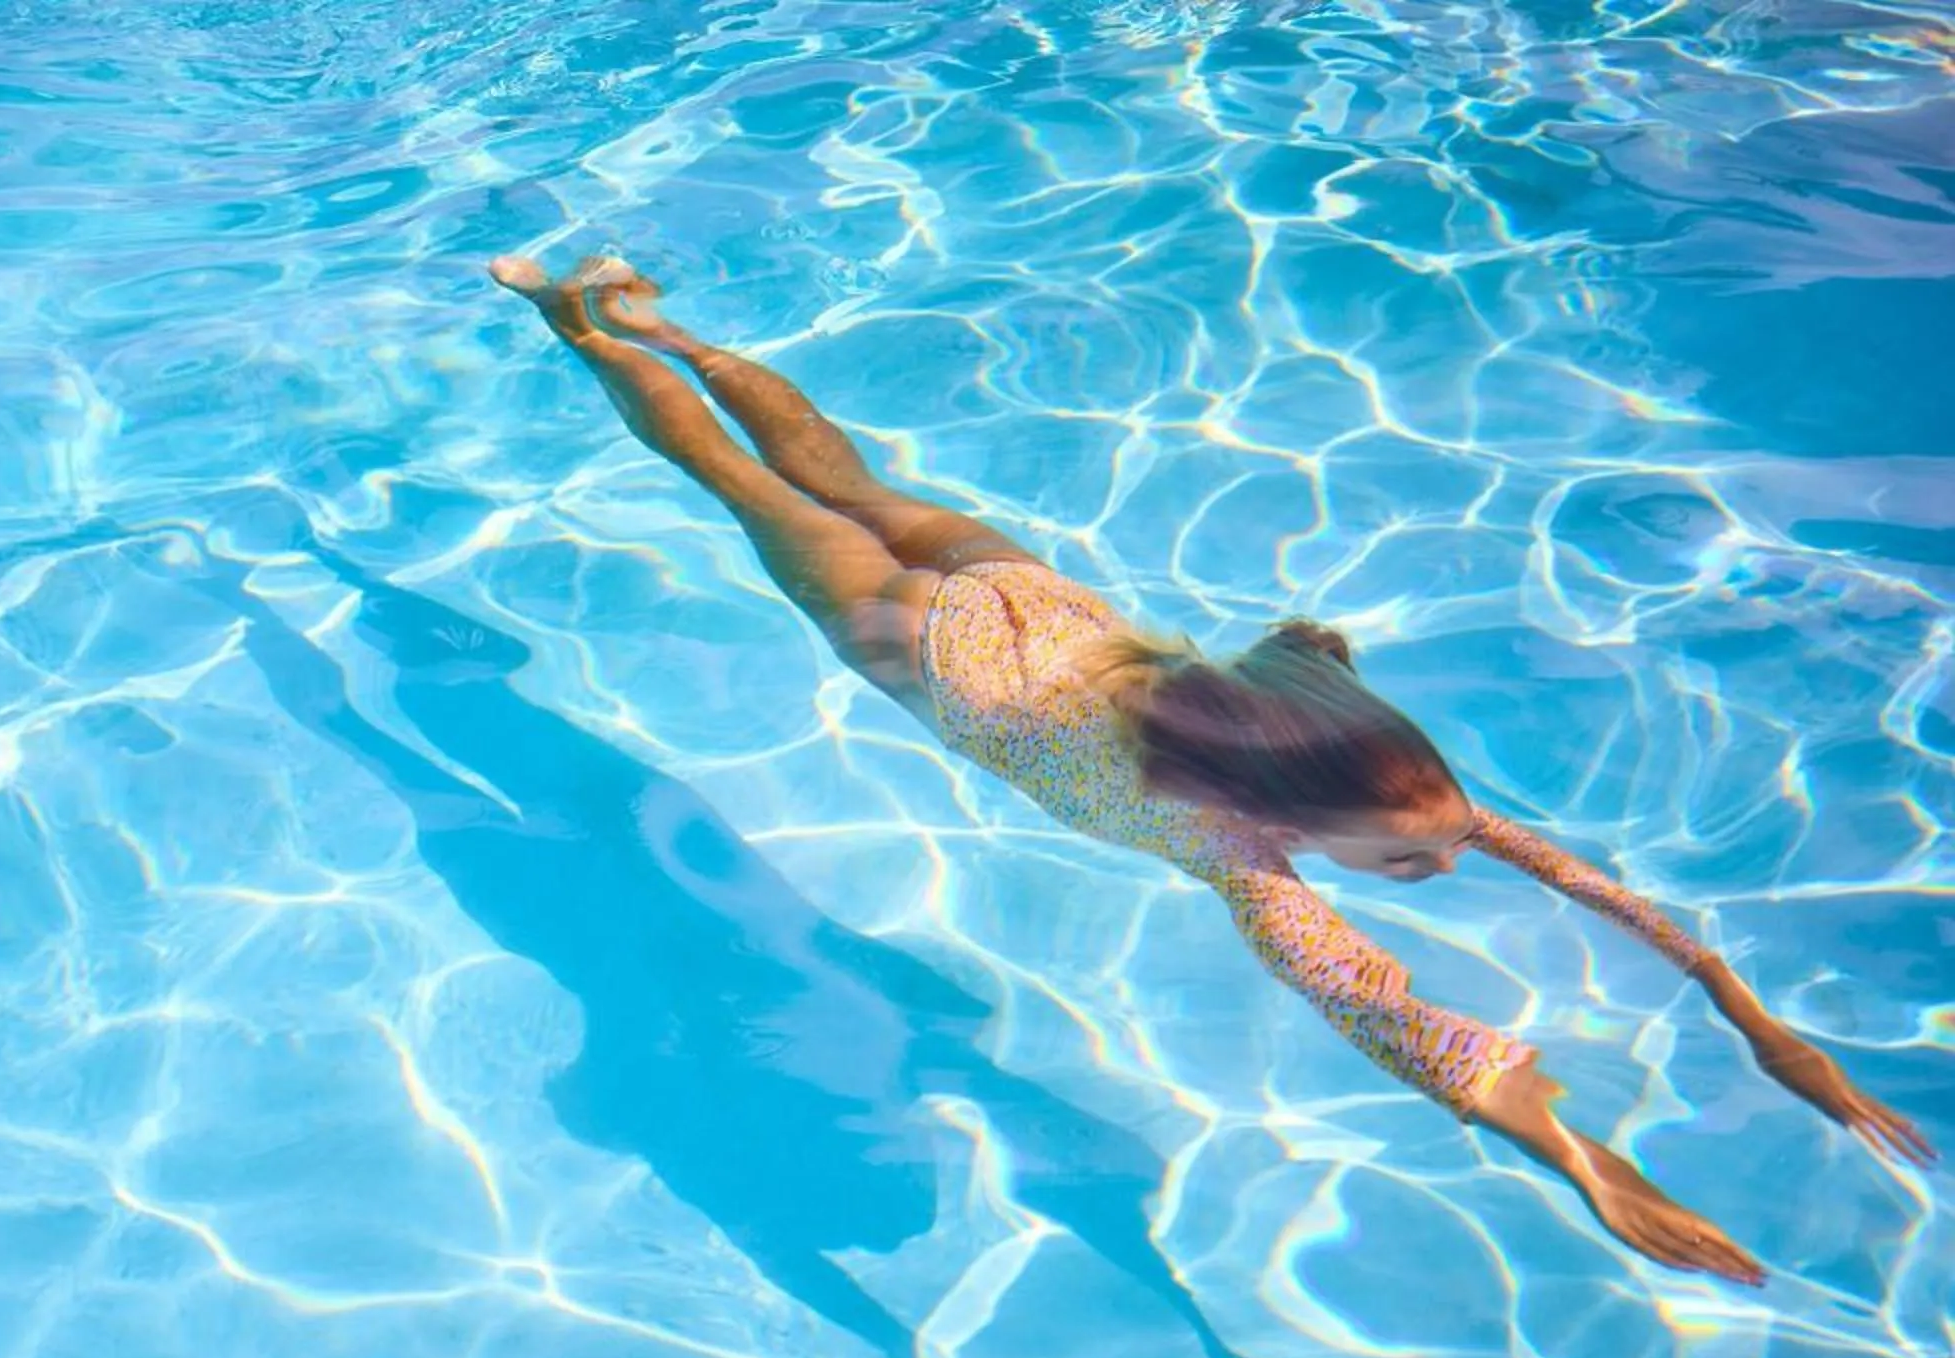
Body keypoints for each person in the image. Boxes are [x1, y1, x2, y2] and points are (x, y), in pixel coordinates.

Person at [488, 252, 1931, 1283]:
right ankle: (580, 321)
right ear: (1274, 813)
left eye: (1435, 845)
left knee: (849, 478)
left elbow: (1587, 887)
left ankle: (641, 312)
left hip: (1029, 600)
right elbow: (1384, 1015)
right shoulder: (1244, 856)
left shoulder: (1338, 757)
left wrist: (1755, 1021)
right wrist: (1590, 1167)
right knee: (756, 485)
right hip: (916, 642)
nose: (1446, 859)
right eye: (1411, 861)